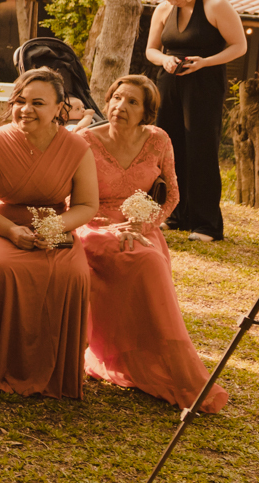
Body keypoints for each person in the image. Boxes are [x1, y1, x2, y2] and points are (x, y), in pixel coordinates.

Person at [78, 75, 227, 413]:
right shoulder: (86, 140)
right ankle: (127, 350)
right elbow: (75, 199)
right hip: (95, 225)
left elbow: (172, 194)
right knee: (145, 260)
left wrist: (143, 224)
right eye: (116, 98)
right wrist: (113, 226)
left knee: (149, 256)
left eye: (132, 102)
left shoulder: (159, 139)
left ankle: (163, 353)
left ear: (147, 111)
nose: (120, 106)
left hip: (142, 225)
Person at [0, 68, 99, 399]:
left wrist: (56, 227)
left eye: (38, 102)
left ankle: (56, 370)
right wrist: (11, 231)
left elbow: (87, 205)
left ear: (59, 108)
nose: (26, 109)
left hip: (55, 228)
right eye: (20, 100)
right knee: (5, 270)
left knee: (72, 273)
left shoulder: (77, 147)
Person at [146, 0, 247, 242]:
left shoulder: (216, 4)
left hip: (205, 82)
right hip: (170, 82)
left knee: (201, 149)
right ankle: (174, 215)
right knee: (169, 148)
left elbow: (239, 46)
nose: (172, 2)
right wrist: (164, 59)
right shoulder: (164, 9)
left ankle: (206, 225)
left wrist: (206, 62)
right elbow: (151, 49)